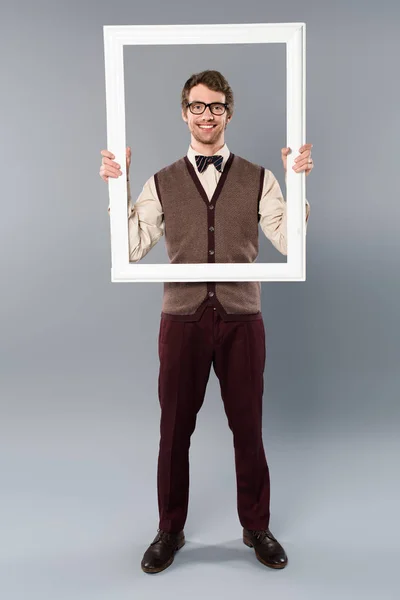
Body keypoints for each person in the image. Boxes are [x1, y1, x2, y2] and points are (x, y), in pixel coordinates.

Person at [99, 70, 314, 574]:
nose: (206, 115)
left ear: (228, 113)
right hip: (182, 320)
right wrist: (119, 188)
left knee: (249, 427)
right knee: (173, 430)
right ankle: (169, 530)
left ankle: (255, 525)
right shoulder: (161, 181)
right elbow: (129, 248)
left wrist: (299, 180)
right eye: (197, 106)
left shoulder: (262, 177)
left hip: (242, 318)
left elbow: (289, 242)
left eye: (215, 106)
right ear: (184, 112)